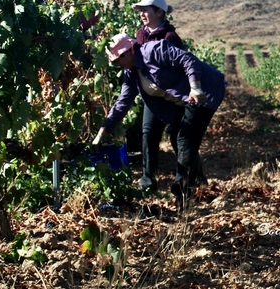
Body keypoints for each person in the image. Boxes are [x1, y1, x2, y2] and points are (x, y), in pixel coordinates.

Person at [93, 33, 226, 204]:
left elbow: (188, 59)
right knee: (177, 138)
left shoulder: (154, 50)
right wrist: (103, 131)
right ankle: (197, 183)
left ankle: (183, 191)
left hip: (204, 90)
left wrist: (195, 87)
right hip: (183, 100)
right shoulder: (131, 72)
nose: (117, 62)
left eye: (119, 57)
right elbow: (122, 102)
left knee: (185, 138)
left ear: (131, 50)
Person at [130, 0, 187, 192]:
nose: (142, 14)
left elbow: (181, 68)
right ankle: (148, 181)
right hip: (152, 97)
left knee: (176, 137)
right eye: (141, 11)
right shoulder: (140, 34)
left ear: (159, 12)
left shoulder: (170, 38)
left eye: (146, 10)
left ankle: (184, 181)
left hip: (172, 97)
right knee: (148, 135)